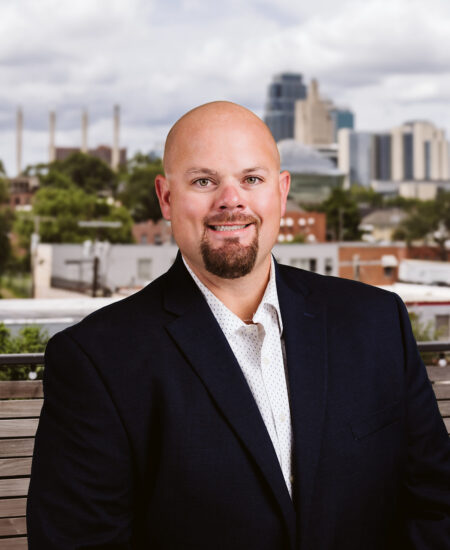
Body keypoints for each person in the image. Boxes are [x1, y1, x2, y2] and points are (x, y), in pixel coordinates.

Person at [27, 101, 449, 550]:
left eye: (252, 179)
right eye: (204, 181)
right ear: (166, 198)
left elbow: (436, 503)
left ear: (281, 192)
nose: (232, 200)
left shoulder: (376, 321)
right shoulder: (97, 360)